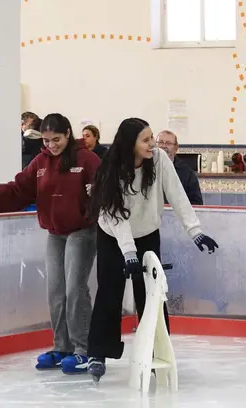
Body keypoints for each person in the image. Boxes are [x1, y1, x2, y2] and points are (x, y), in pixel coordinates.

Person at [85, 118, 219, 381]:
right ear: (130, 144)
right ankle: (98, 352)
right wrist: (129, 253)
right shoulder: (111, 169)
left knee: (151, 293)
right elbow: (116, 216)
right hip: (113, 234)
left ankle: (158, 351)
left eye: (152, 138)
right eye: (145, 140)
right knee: (110, 290)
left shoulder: (159, 160)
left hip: (147, 232)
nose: (152, 144)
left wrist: (195, 231)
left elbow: (177, 194)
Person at [0, 113, 100, 374]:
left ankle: (83, 349)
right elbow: (17, 190)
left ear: (68, 134)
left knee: (74, 289)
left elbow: (106, 190)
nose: (51, 145)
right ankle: (62, 346)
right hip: (55, 233)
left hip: (82, 231)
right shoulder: (40, 162)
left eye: (56, 139)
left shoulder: (87, 159)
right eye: (46, 140)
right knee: (55, 290)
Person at [156, 130, 203, 205]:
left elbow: (197, 203)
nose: (163, 146)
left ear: (176, 148)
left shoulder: (187, 174)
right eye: (160, 142)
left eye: (168, 143)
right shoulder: (146, 167)